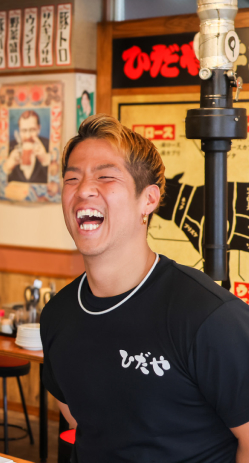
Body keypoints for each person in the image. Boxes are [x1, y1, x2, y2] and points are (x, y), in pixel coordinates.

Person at [41, 114, 249, 463]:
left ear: (149, 200)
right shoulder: (57, 315)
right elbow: (81, 420)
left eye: (105, 176)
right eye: (72, 178)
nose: (83, 189)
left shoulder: (208, 316)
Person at [3, 110, 51, 183]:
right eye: (24, 130)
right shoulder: (10, 146)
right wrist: (8, 167)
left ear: (39, 129)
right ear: (19, 130)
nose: (28, 136)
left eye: (32, 130)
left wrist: (45, 160)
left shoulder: (49, 145)